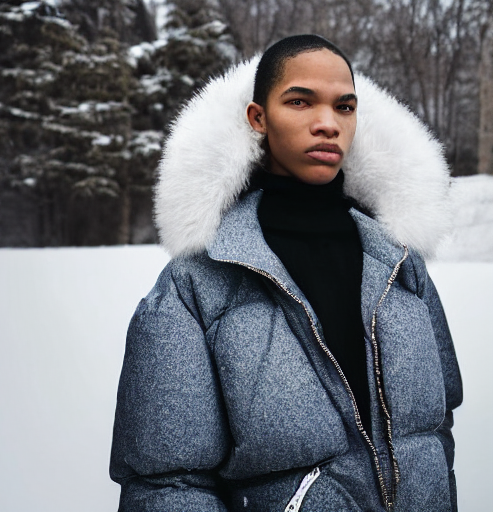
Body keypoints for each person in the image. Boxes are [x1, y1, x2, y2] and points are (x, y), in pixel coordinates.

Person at [110, 35, 462, 512]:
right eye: (300, 102)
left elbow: (434, 430)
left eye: (344, 107)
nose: (327, 124)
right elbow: (167, 483)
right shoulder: (196, 283)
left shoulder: (400, 264)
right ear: (259, 118)